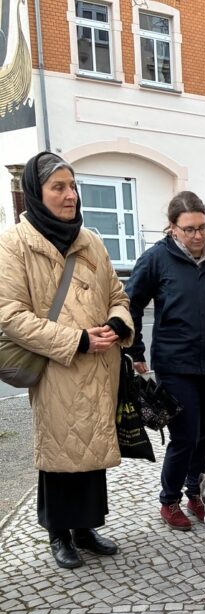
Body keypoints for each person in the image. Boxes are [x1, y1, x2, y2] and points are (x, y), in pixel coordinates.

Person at [0, 151, 133, 570]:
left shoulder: (89, 240)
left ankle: (86, 526)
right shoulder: (14, 244)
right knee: (60, 451)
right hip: (58, 366)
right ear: (37, 194)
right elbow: (10, 314)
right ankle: (59, 531)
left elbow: (117, 295)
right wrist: (75, 340)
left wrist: (117, 323)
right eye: (58, 187)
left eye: (72, 186)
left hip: (98, 366)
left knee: (91, 446)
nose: (70, 195)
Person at [126, 191, 205, 531]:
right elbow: (131, 304)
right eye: (189, 229)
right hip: (175, 363)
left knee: (204, 434)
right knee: (184, 435)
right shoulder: (156, 259)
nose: (198, 236)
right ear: (172, 229)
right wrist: (135, 349)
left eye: (203, 227)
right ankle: (168, 499)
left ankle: (195, 494)